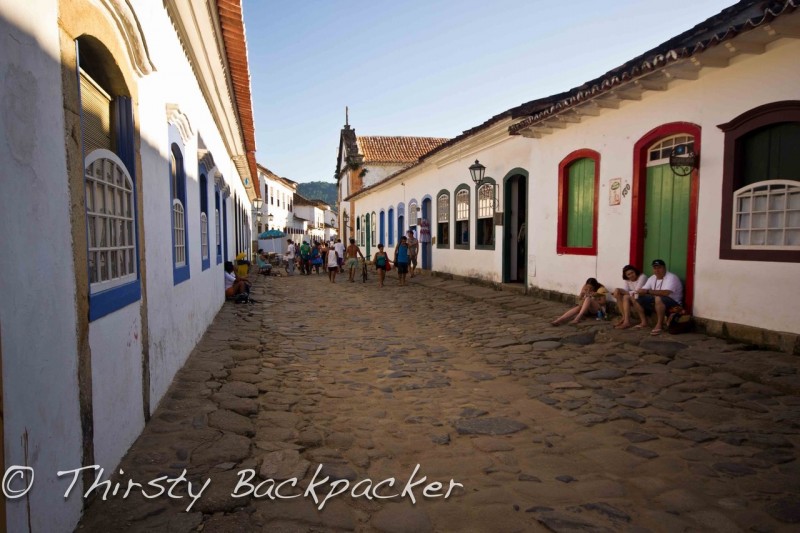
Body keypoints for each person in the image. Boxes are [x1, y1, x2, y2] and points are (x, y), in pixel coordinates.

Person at [632, 259, 684, 336]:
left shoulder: (671, 277)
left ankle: (659, 325)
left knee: (658, 298)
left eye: (659, 268)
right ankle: (644, 322)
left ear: (664, 268)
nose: (657, 270)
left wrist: (647, 292)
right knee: (635, 298)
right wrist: (639, 292)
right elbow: (644, 289)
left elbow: (666, 293)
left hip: (674, 304)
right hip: (657, 301)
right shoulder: (652, 277)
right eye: (655, 268)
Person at [612, 265, 647, 329]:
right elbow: (626, 290)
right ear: (626, 276)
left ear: (635, 271)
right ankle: (624, 318)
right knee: (619, 294)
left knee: (625, 297)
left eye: (632, 273)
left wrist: (623, 291)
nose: (631, 275)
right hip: (634, 296)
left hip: (643, 297)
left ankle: (626, 322)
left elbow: (637, 291)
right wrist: (618, 290)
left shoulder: (642, 277)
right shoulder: (627, 280)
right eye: (628, 274)